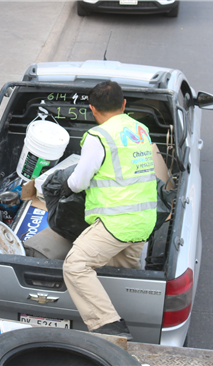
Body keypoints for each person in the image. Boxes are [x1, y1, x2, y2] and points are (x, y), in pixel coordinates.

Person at [62, 81, 157, 340]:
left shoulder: (98, 137)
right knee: (122, 275)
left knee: (76, 265)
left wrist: (65, 181)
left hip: (116, 223)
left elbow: (78, 183)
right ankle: (137, 324)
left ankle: (108, 326)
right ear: (124, 104)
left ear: (93, 109)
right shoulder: (141, 130)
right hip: (144, 221)